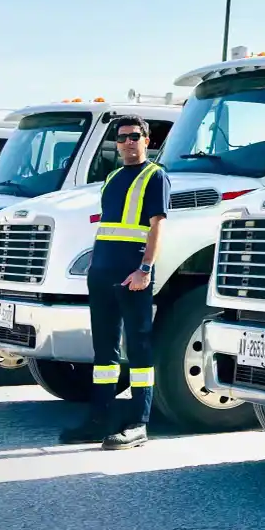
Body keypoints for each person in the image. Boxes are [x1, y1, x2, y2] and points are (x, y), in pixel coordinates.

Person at [60, 118, 166, 450]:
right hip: (103, 274)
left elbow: (156, 227)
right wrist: (95, 263)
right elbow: (108, 224)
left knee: (139, 347)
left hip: (133, 274)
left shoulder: (155, 175)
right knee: (104, 350)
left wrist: (145, 269)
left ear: (146, 140)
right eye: (122, 138)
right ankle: (99, 420)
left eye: (134, 136)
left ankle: (138, 423)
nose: (128, 142)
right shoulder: (112, 177)